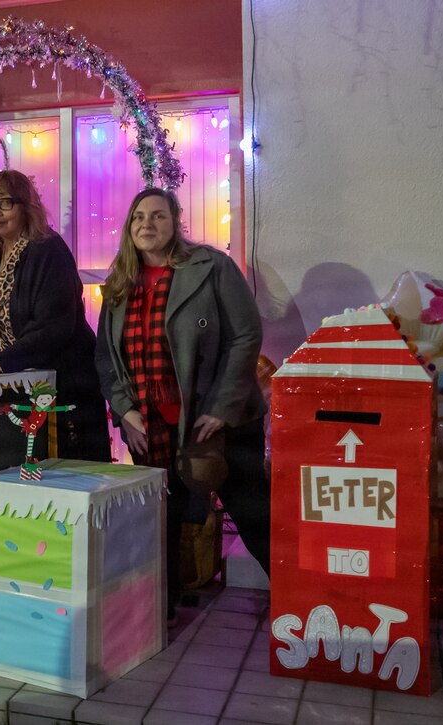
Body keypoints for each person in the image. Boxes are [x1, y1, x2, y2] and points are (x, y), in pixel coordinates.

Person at [94, 188, 271, 621]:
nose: (146, 225)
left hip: (214, 426)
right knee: (159, 523)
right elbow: (106, 356)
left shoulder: (210, 267)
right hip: (150, 427)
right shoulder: (120, 283)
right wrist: (124, 410)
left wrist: (221, 408)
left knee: (256, 517)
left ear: (176, 222)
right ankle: (160, 611)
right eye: (138, 217)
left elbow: (245, 335)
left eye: (157, 216)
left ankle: (307, 603)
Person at [0, 170, 110, 462]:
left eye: (5, 202)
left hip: (62, 393)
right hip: (15, 392)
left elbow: (54, 327)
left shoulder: (48, 249)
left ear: (26, 206)